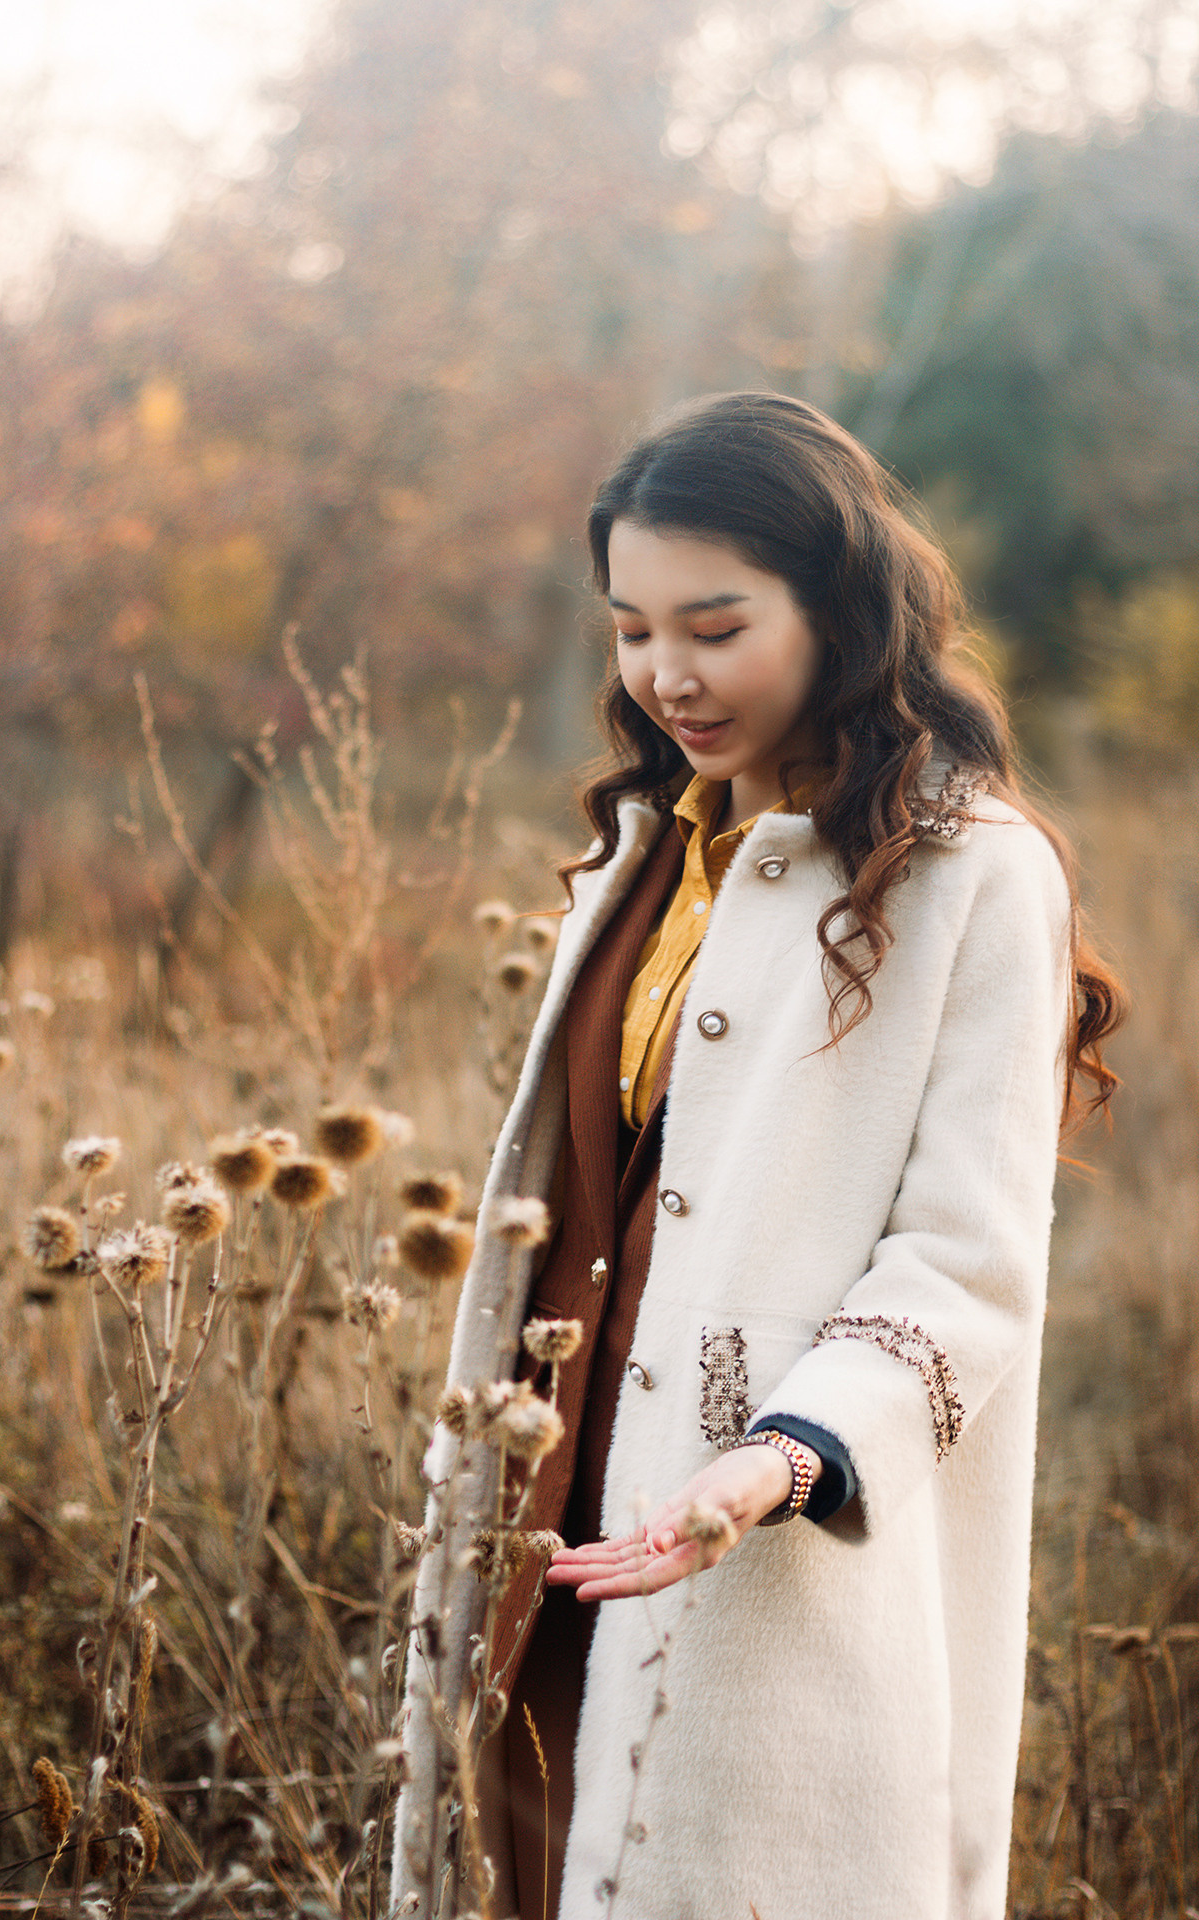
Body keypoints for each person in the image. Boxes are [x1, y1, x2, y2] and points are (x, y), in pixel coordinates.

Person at [393, 391, 1123, 1920]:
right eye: (633, 628)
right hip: (552, 1520)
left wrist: (775, 1462)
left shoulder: (973, 873)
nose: (667, 674)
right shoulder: (640, 852)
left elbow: (969, 1259)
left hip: (764, 1540)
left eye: (716, 626)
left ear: (840, 608)